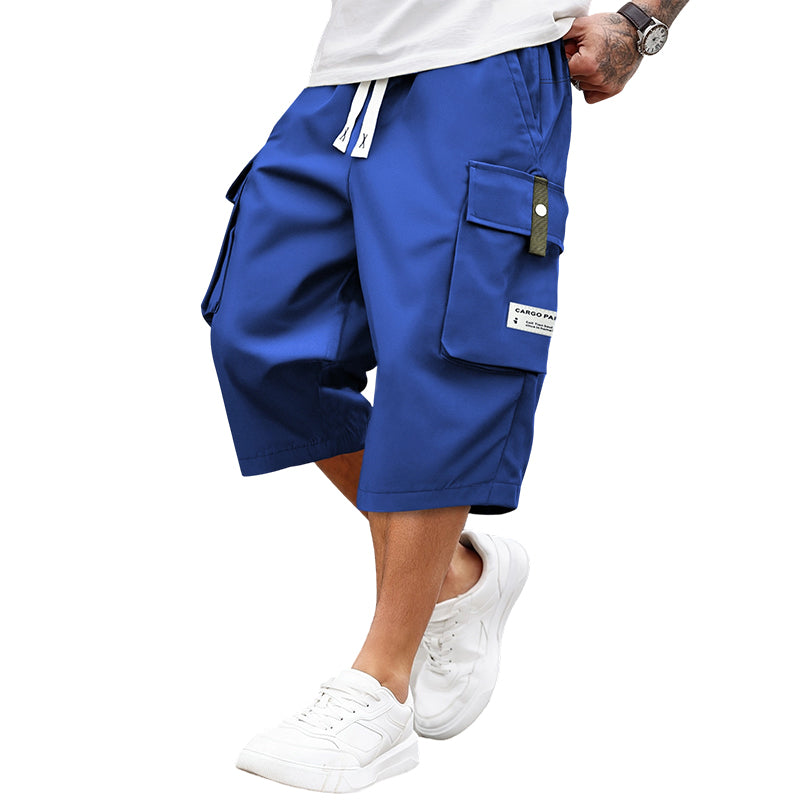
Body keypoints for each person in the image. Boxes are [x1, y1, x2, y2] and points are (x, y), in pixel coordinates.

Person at [201, 0, 690, 792]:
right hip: (348, 74)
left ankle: (380, 687)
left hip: (489, 67)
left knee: (445, 362)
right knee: (260, 340)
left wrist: (642, 22)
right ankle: (455, 575)